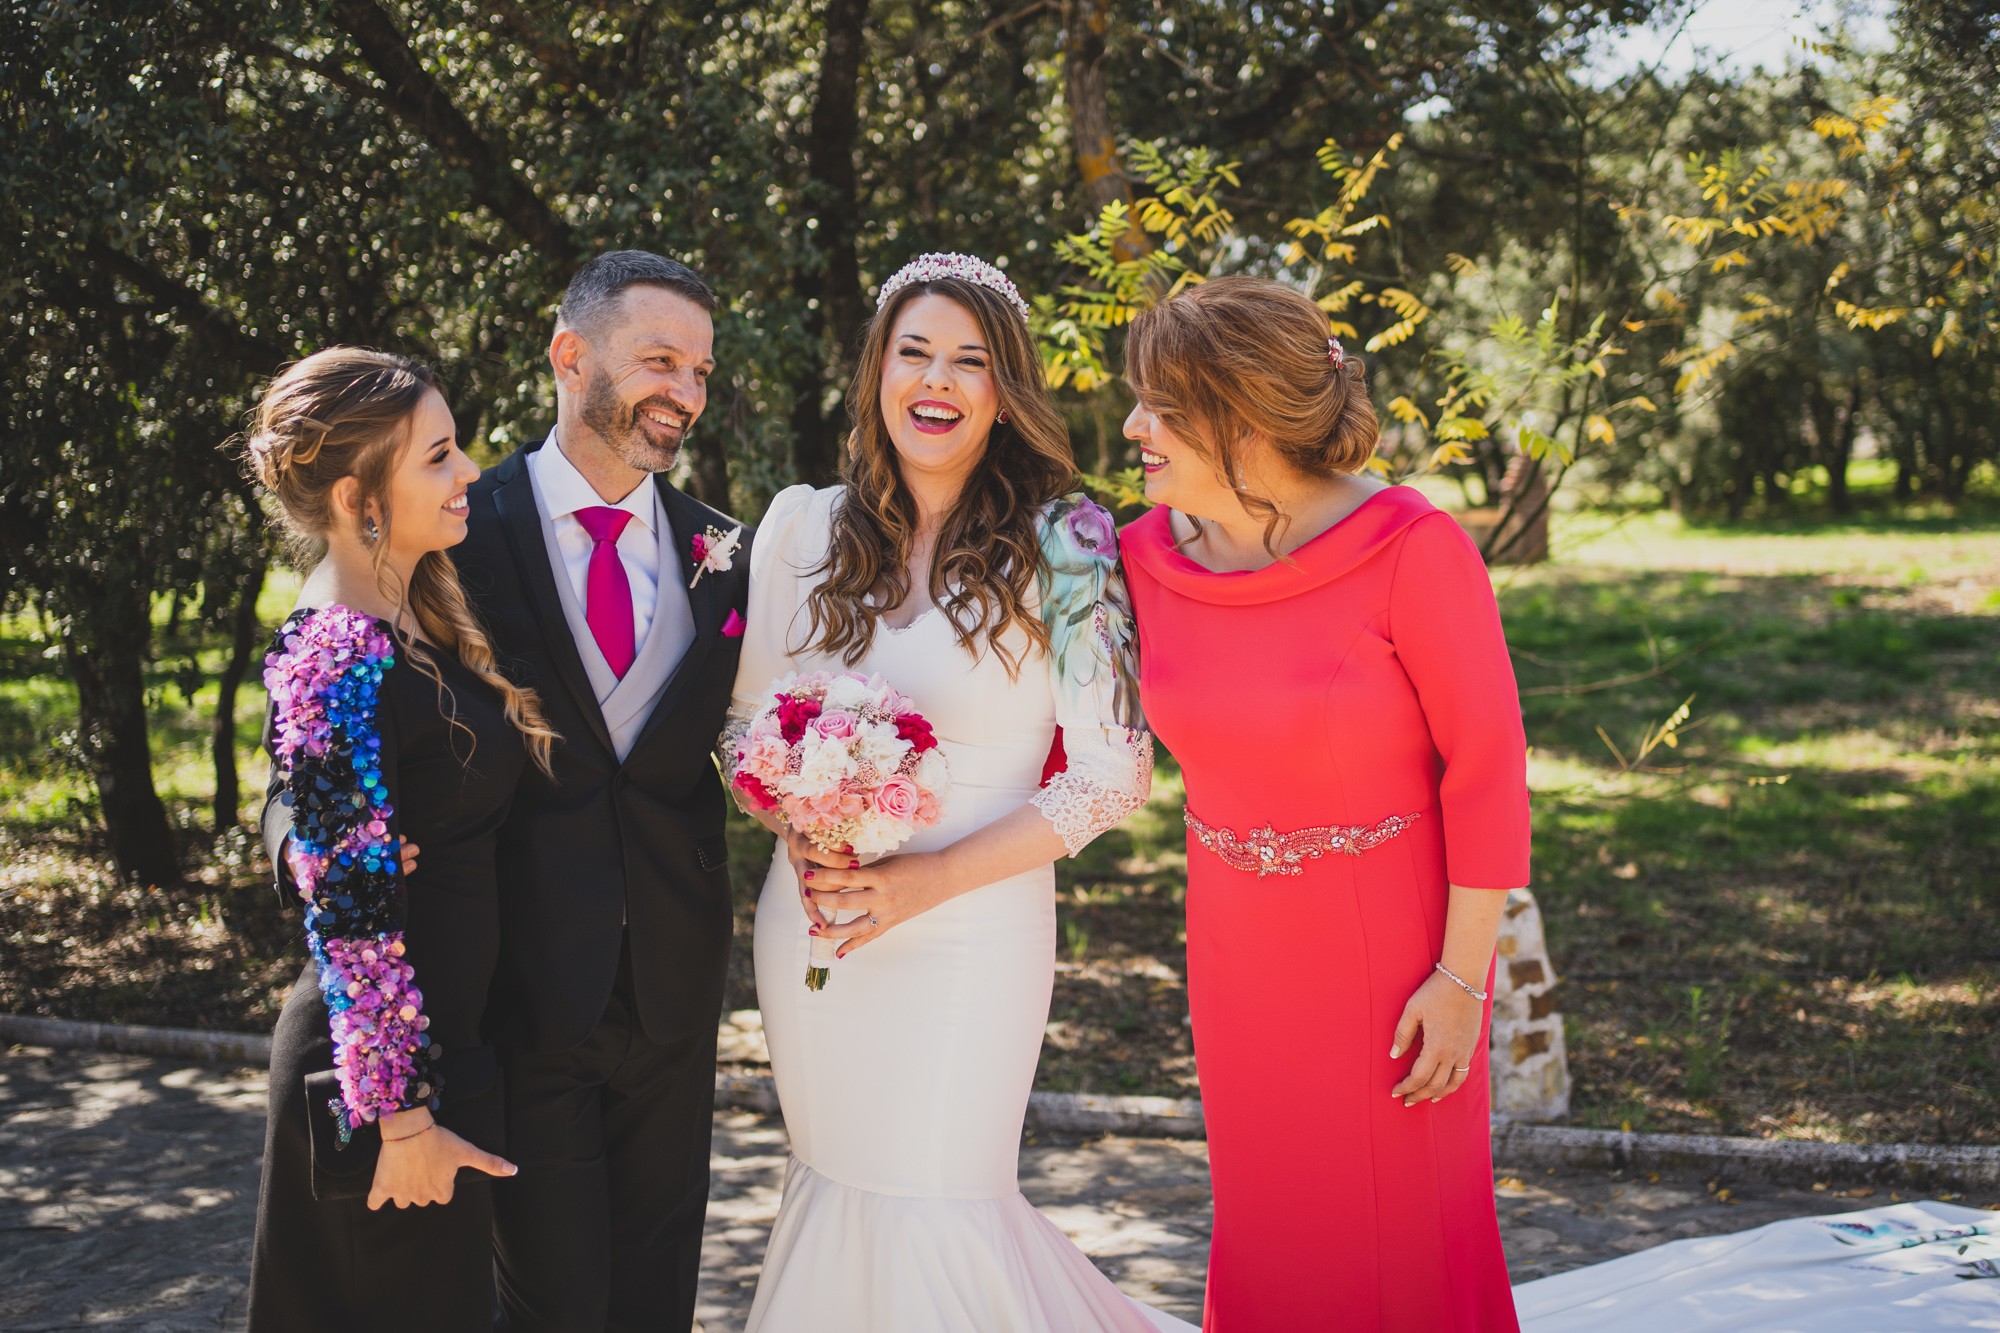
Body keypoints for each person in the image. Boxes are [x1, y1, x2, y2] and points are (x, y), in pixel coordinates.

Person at [721, 253, 1191, 1332]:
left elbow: (1114, 772)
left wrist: (926, 879)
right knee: (835, 1179)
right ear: (877, 369)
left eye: (970, 360)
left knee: (936, 1194)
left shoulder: (1066, 541)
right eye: (914, 350)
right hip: (817, 923)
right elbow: (742, 721)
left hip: (975, 935)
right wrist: (793, 811)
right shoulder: (800, 526)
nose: (937, 379)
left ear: (1004, 389)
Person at [1117, 276, 1529, 1331]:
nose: (1132, 427)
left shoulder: (1411, 547)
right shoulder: (1135, 560)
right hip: (1235, 952)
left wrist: (1460, 981)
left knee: (1398, 1237)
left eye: (1159, 405)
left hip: (1399, 969)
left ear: (1242, 416)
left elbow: (1485, 773)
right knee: (1269, 1220)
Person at [446, 251, 753, 1329]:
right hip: (520, 990)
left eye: (702, 370)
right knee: (551, 1302)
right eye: (659, 359)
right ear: (569, 356)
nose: (685, 391)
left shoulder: (726, 553)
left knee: (658, 1292)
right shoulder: (460, 535)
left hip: (673, 988)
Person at [245, 348, 558, 1331]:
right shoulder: (333, 647)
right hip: (382, 1089)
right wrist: (405, 1117)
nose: (468, 471)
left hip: (437, 1062)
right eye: (438, 455)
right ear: (358, 496)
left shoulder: (411, 611)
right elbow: (354, 917)